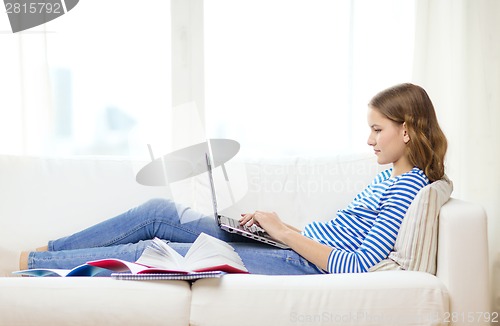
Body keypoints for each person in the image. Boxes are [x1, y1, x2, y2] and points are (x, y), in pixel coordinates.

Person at [17, 83, 447, 275]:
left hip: (299, 265)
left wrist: (282, 232)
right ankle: (44, 251)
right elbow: (341, 239)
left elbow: (354, 266)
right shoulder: (389, 177)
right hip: (288, 246)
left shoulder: (408, 186)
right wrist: (278, 227)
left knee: (156, 249)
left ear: (406, 129)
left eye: (377, 130)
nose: (368, 140)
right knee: (158, 211)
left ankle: (28, 265)